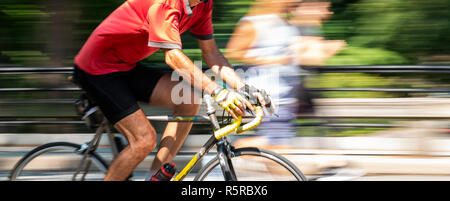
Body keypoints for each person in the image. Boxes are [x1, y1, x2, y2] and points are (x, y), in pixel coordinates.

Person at [73, 0, 268, 181]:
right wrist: (218, 92)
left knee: (188, 99)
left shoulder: (203, 5)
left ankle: (154, 177)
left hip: (125, 66)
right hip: (96, 68)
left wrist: (244, 88)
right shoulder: (165, 3)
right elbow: (173, 56)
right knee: (144, 140)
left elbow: (211, 53)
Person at [226, 0, 302, 149]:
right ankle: (225, 157)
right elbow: (233, 51)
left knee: (277, 148)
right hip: (266, 95)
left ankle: (227, 157)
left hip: (285, 97)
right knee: (277, 147)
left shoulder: (283, 21)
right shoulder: (253, 23)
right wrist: (272, 60)